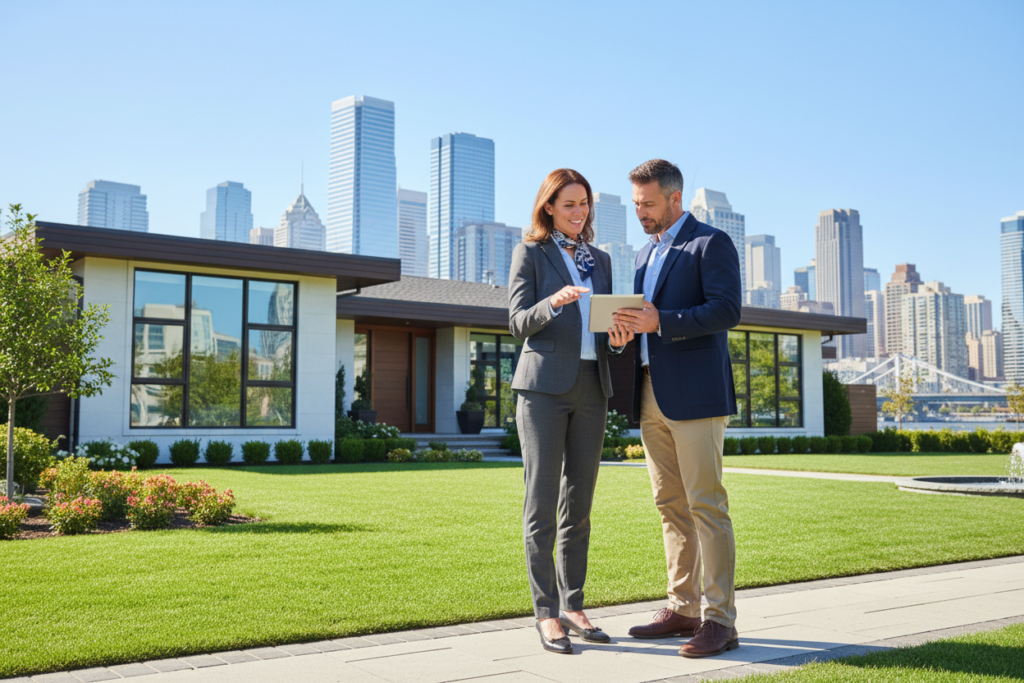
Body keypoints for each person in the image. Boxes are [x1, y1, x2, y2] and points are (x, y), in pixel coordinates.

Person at [613, 159, 743, 658]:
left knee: (706, 506)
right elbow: (645, 323)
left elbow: (727, 309)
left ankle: (720, 620)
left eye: (647, 203)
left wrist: (659, 320)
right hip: (649, 393)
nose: (640, 213)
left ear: (673, 198)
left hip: (697, 396)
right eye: (635, 204)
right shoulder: (646, 254)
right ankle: (683, 606)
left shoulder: (710, 243)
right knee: (670, 506)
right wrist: (627, 330)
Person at [508, 168, 634, 654]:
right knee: (541, 504)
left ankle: (574, 603)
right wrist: (554, 302)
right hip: (542, 390)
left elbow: (603, 330)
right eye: (568, 205)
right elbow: (517, 323)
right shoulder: (531, 253)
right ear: (548, 208)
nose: (579, 212)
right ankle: (546, 613)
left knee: (578, 506)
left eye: (584, 204)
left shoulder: (599, 260)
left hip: (591, 387)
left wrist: (619, 340)